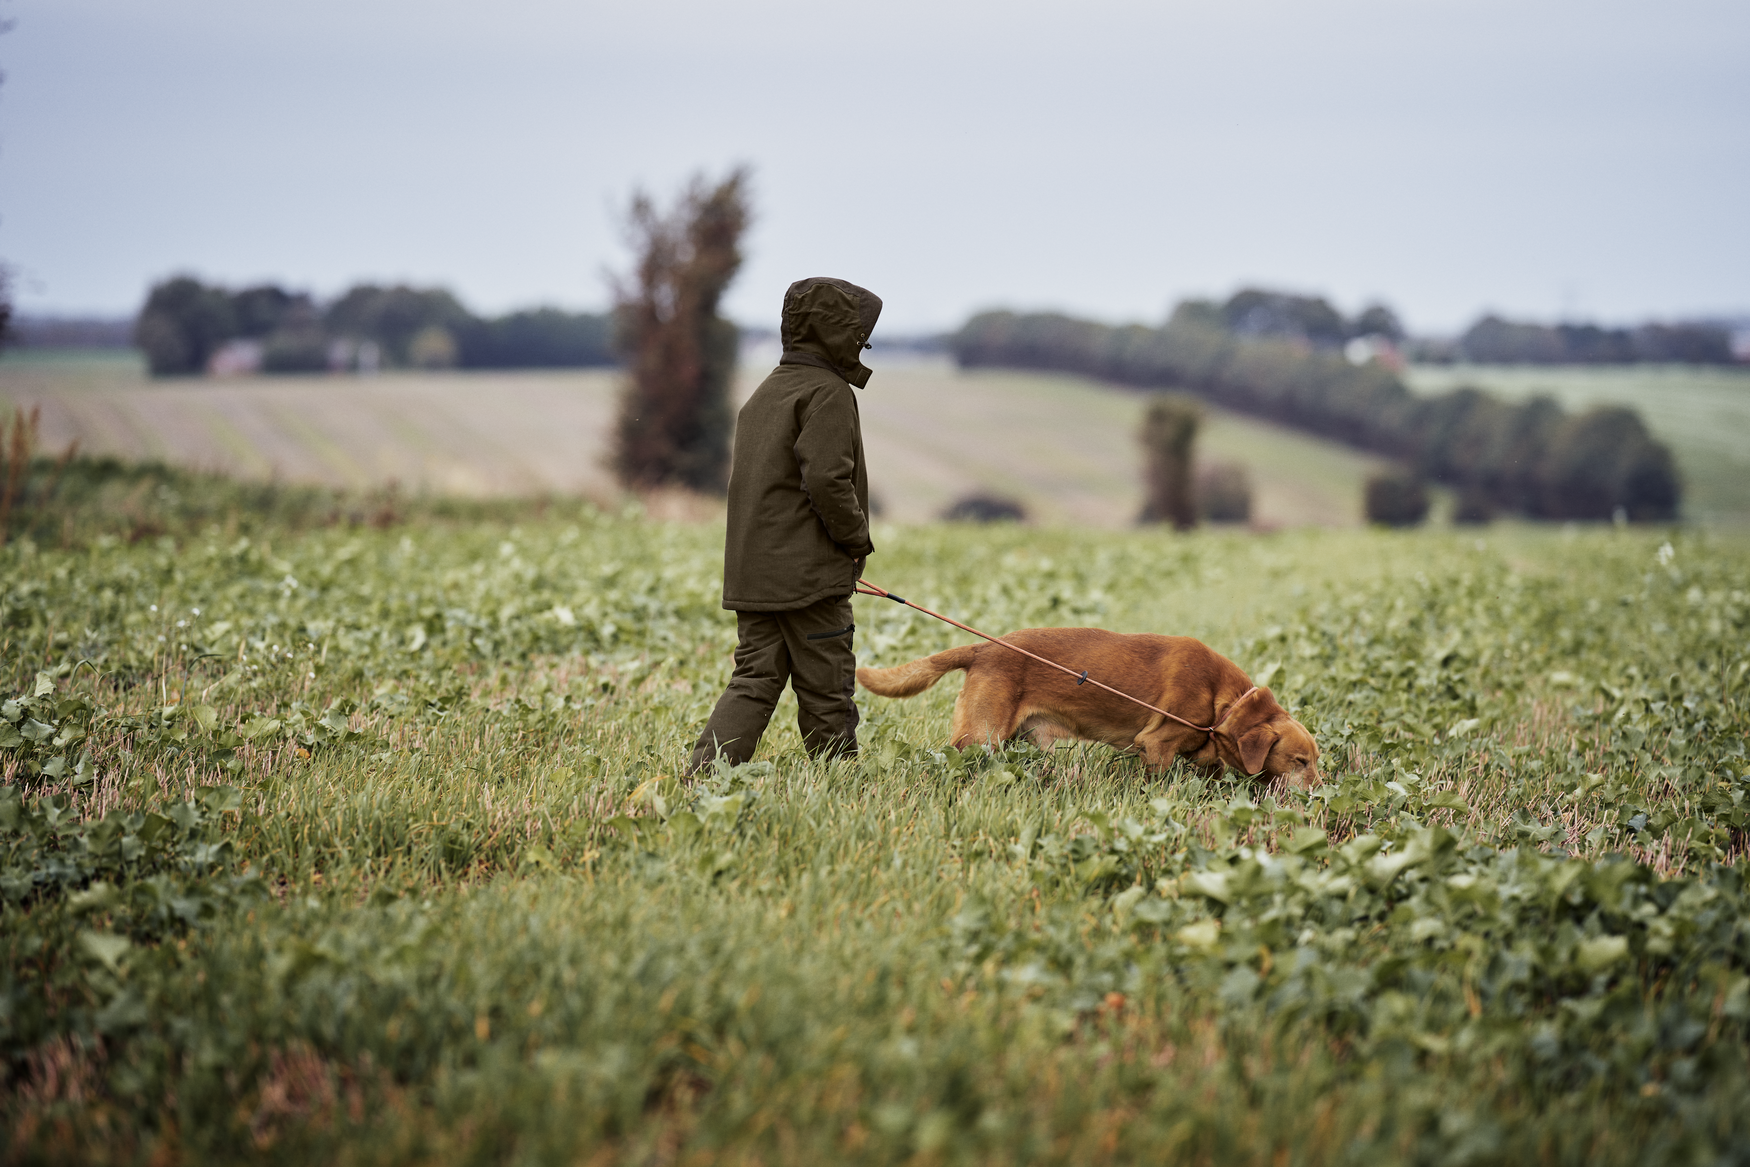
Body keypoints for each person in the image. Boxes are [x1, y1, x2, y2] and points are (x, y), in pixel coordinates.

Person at [689, 276, 882, 772]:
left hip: (753, 575)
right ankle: (840, 785)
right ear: (835, 335)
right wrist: (856, 542)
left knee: (754, 678)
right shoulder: (828, 393)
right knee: (827, 685)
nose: (862, 344)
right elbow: (827, 481)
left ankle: (705, 778)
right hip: (808, 580)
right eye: (858, 335)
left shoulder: (767, 392)